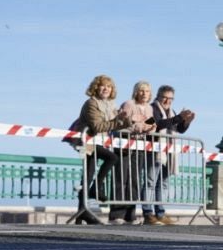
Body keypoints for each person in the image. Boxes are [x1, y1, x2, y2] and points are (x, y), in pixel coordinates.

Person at [74, 74, 133, 223]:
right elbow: (98, 126)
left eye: (109, 86)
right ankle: (95, 190)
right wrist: (118, 122)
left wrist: (125, 121)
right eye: (103, 86)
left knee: (88, 175)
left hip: (100, 141)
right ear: (96, 87)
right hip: (88, 142)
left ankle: (82, 212)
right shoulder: (91, 103)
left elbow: (114, 124)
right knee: (111, 158)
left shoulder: (110, 105)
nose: (106, 89)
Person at [144, 84, 195, 225]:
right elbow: (158, 124)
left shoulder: (172, 112)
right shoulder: (151, 109)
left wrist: (186, 122)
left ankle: (160, 213)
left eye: (171, 98)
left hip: (169, 153)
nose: (167, 101)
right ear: (158, 97)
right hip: (154, 151)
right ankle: (148, 213)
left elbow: (178, 129)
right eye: (164, 97)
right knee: (150, 182)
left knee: (163, 183)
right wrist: (178, 118)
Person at [115, 80, 158, 224]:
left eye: (147, 91)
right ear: (136, 92)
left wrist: (150, 128)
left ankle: (130, 215)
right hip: (124, 144)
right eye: (141, 90)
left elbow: (151, 125)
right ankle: (117, 215)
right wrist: (139, 126)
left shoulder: (149, 108)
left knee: (134, 180)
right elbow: (120, 124)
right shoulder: (128, 104)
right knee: (122, 178)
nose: (144, 93)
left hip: (139, 146)